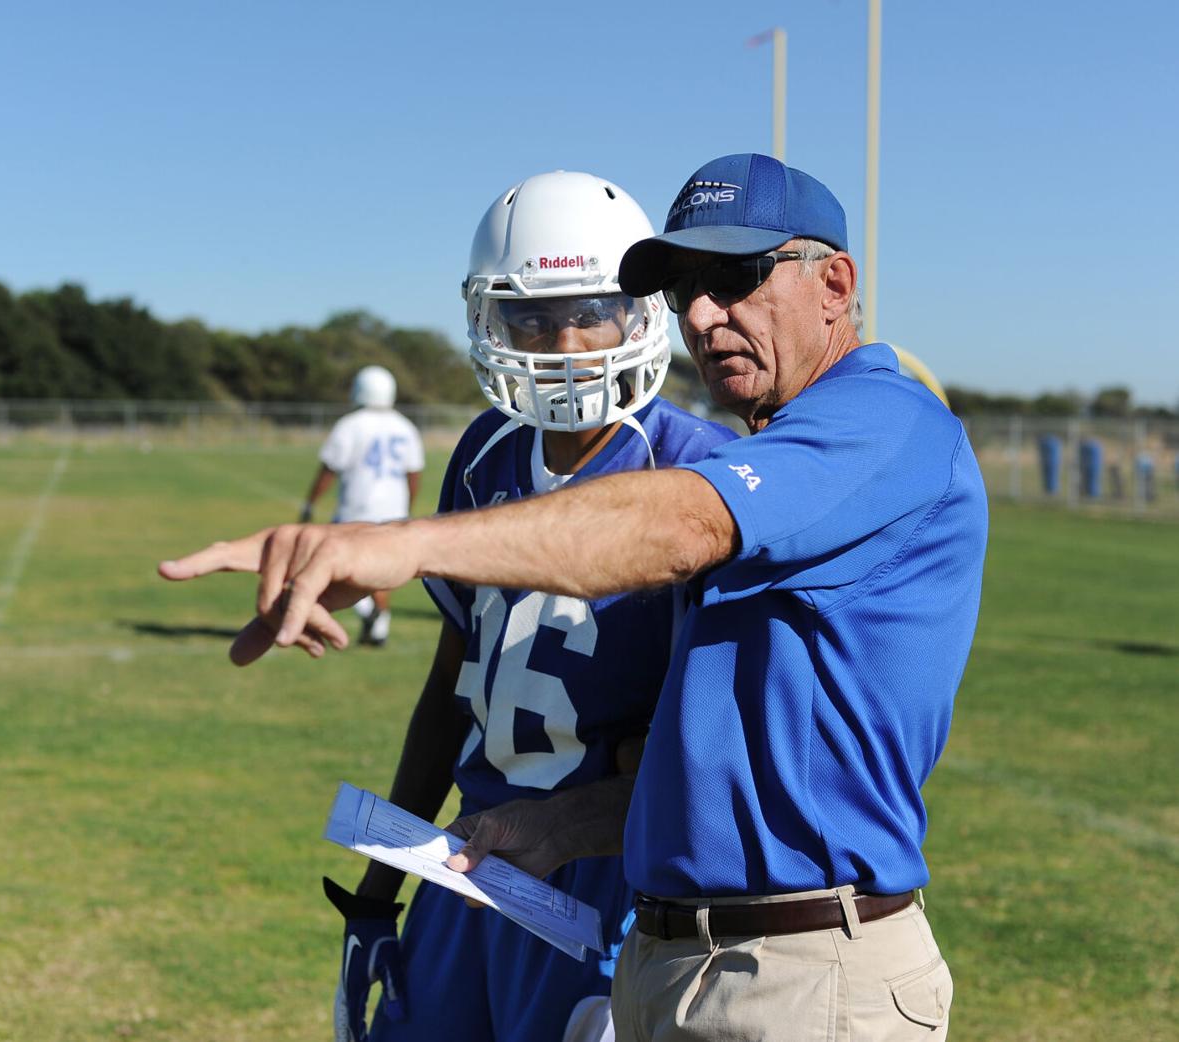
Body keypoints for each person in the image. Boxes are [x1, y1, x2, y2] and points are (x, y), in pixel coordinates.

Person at [160, 153, 988, 1041]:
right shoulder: (764, 463)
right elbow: (716, 765)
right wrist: (554, 827)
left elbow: (676, 527)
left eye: (736, 277)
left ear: (836, 282)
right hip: (682, 954)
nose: (703, 316)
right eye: (684, 292)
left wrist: (397, 540)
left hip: (801, 963)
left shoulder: (878, 426)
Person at [320, 170, 736, 1042]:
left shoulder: (697, 469)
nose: (567, 343)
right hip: (472, 856)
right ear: (489, 318)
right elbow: (452, 680)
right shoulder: (483, 454)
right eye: (533, 318)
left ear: (641, 312)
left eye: (592, 310)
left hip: (607, 873)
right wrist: (385, 880)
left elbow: (715, 729)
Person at [298, 365, 424, 647]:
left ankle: (367, 613)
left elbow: (330, 468)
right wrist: (406, 510)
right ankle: (379, 627)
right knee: (381, 572)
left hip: (357, 506)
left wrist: (310, 502)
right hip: (394, 509)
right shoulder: (405, 426)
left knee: (335, 566)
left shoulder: (350, 424)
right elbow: (413, 474)